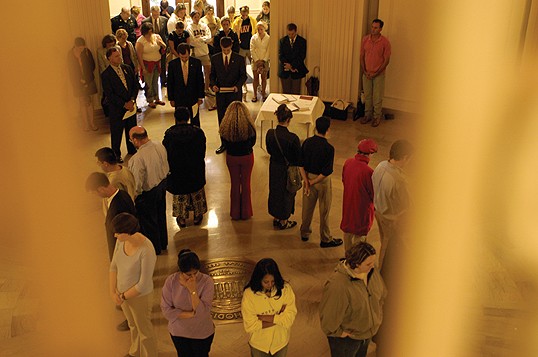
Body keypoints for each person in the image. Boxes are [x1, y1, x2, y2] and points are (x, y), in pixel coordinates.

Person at [319, 242, 386, 357]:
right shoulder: (338, 286)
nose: (372, 266)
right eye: (368, 264)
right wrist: (339, 333)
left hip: (366, 334)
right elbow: (328, 319)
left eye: (373, 262)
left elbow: (381, 293)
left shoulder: (371, 271)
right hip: (348, 340)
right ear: (356, 264)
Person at [109, 213, 158, 357]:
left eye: (118, 232)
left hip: (139, 297)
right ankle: (135, 352)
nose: (115, 235)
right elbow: (113, 266)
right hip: (122, 295)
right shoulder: (121, 242)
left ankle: (150, 354)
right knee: (132, 326)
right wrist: (113, 292)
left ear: (128, 232)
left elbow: (143, 284)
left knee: (144, 330)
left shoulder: (146, 249)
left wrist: (122, 296)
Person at [161, 249, 215, 356]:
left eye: (195, 273)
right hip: (179, 333)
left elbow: (202, 313)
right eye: (189, 274)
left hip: (202, 333)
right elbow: (166, 311)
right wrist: (190, 314)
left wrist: (192, 290)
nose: (193, 277)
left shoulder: (207, 281)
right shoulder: (171, 281)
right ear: (181, 271)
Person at [300, 117, 343, 248]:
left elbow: (300, 164)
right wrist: (313, 182)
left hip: (307, 177)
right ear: (328, 130)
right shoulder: (329, 148)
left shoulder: (307, 142)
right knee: (324, 210)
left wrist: (307, 181)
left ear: (315, 128)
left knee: (306, 208)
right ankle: (325, 238)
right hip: (321, 181)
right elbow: (326, 171)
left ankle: (304, 232)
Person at [241, 258, 297, 357]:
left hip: (280, 343)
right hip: (259, 345)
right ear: (259, 279)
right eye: (266, 282)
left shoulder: (286, 289)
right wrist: (279, 318)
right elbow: (250, 326)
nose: (270, 285)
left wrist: (263, 317)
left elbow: (288, 320)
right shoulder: (249, 294)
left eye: (273, 281)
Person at [162, 108, 208, 228]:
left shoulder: (170, 134)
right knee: (197, 191)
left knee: (180, 194)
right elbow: (202, 151)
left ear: (175, 118)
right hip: (195, 169)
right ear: (189, 117)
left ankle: (181, 216)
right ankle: (198, 214)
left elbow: (165, 153)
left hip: (177, 171)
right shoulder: (198, 132)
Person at [265, 104, 308, 230]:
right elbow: (298, 159)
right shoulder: (293, 138)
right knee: (287, 194)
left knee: (274, 191)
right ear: (289, 120)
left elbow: (269, 150)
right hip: (286, 169)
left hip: (274, 167)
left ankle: (276, 217)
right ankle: (284, 221)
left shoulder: (270, 133)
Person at [128, 126, 169, 255]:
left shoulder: (137, 158)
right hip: (162, 185)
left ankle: (154, 249)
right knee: (161, 216)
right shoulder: (159, 145)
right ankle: (163, 243)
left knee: (149, 223)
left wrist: (135, 196)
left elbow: (137, 182)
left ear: (135, 140)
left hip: (148, 193)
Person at [372, 139, 413, 269]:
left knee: (384, 239)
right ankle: (382, 272)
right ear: (405, 157)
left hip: (378, 211)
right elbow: (406, 204)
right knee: (388, 246)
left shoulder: (380, 165)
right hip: (390, 218)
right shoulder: (399, 180)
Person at [86, 172, 136, 260]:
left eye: (94, 193)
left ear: (101, 189)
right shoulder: (122, 194)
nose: (96, 196)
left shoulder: (119, 203)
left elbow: (126, 234)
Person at [219, 101, 256, 220]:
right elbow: (253, 142)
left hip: (232, 158)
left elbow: (224, 143)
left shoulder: (225, 127)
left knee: (234, 184)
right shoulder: (249, 126)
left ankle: (235, 213)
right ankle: (246, 212)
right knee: (246, 184)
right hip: (247, 157)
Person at [210, 37, 247, 155]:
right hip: (221, 94)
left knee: (235, 117)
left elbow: (243, 76)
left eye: (228, 50)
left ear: (231, 46)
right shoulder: (215, 58)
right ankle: (224, 143)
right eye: (224, 50)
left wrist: (238, 86)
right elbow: (212, 75)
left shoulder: (239, 58)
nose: (226, 52)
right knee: (222, 117)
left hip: (234, 93)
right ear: (221, 47)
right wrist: (213, 85)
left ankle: (235, 142)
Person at [101, 47, 139, 162]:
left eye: (120, 55)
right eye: (116, 56)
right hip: (117, 108)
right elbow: (110, 94)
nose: (120, 58)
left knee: (131, 129)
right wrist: (124, 104)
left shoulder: (127, 68)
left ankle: (132, 149)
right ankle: (116, 154)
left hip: (130, 106)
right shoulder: (106, 75)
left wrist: (132, 100)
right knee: (117, 132)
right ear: (109, 58)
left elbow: (135, 85)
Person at [340, 139, 378, 252]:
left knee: (347, 233)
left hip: (348, 203)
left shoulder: (348, 162)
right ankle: (356, 261)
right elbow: (373, 193)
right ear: (369, 154)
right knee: (359, 237)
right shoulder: (368, 171)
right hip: (361, 209)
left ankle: (348, 257)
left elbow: (344, 180)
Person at [359, 19, 391, 127]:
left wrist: (376, 73)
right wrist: (365, 71)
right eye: (372, 27)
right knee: (367, 96)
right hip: (366, 73)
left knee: (377, 97)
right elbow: (361, 56)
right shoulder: (365, 40)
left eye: (376, 27)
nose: (373, 29)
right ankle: (367, 115)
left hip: (379, 75)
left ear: (380, 29)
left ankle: (377, 117)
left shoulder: (385, 42)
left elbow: (386, 60)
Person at [168, 43, 204, 127]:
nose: (184, 59)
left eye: (186, 57)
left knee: (195, 119)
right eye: (182, 57)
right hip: (179, 97)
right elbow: (170, 82)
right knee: (180, 120)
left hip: (193, 96)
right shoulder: (173, 64)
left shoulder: (196, 63)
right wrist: (171, 98)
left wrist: (200, 97)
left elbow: (200, 80)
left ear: (189, 53)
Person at [68, 37, 98, 131]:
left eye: (83, 47)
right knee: (82, 103)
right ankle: (86, 124)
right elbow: (71, 70)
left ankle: (92, 123)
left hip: (89, 80)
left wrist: (87, 80)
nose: (82, 49)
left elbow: (92, 66)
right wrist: (79, 80)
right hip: (77, 82)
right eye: (80, 48)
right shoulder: (70, 54)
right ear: (75, 46)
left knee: (89, 102)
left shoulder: (87, 52)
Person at [136, 22, 167, 108]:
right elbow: (139, 56)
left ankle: (157, 98)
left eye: (151, 31)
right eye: (148, 32)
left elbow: (164, 47)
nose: (150, 34)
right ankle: (150, 100)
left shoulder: (156, 37)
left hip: (157, 63)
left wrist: (162, 44)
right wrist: (142, 68)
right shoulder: (140, 41)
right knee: (148, 83)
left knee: (155, 81)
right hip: (147, 64)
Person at [233, 6, 257, 98]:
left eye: (246, 14)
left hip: (250, 46)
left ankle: (256, 84)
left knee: (253, 65)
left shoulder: (252, 20)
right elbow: (235, 31)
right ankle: (243, 85)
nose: (244, 16)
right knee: (242, 66)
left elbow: (254, 32)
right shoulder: (237, 21)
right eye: (242, 15)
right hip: (242, 47)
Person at [142, 6, 169, 87]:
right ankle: (152, 83)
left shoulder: (164, 20)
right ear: (151, 13)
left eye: (157, 14)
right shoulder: (145, 21)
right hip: (151, 46)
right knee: (153, 65)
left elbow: (166, 33)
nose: (156, 16)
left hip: (161, 45)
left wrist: (165, 43)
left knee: (163, 64)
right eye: (154, 15)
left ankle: (163, 81)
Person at [278, 23, 308, 94]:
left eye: (292, 34)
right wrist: (288, 65)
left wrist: (292, 66)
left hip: (296, 70)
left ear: (296, 31)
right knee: (286, 93)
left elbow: (302, 56)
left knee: (296, 93)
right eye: (289, 34)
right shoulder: (282, 41)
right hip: (285, 71)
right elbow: (281, 55)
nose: (291, 36)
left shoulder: (302, 41)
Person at [187, 10, 212, 93]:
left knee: (208, 71)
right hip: (195, 53)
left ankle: (207, 88)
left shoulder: (204, 26)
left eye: (198, 17)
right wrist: (203, 40)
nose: (197, 19)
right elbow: (192, 41)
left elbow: (209, 38)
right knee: (195, 73)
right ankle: (196, 89)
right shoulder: (189, 28)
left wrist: (201, 39)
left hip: (205, 52)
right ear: (192, 18)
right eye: (195, 17)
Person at [250, 21, 270, 102]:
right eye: (258, 29)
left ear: (264, 29)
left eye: (261, 29)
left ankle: (263, 93)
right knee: (255, 78)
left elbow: (269, 49)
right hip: (255, 60)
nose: (259, 31)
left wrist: (264, 60)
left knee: (264, 78)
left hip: (265, 60)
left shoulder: (268, 38)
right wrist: (257, 60)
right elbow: (252, 49)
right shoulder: (253, 38)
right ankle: (255, 94)